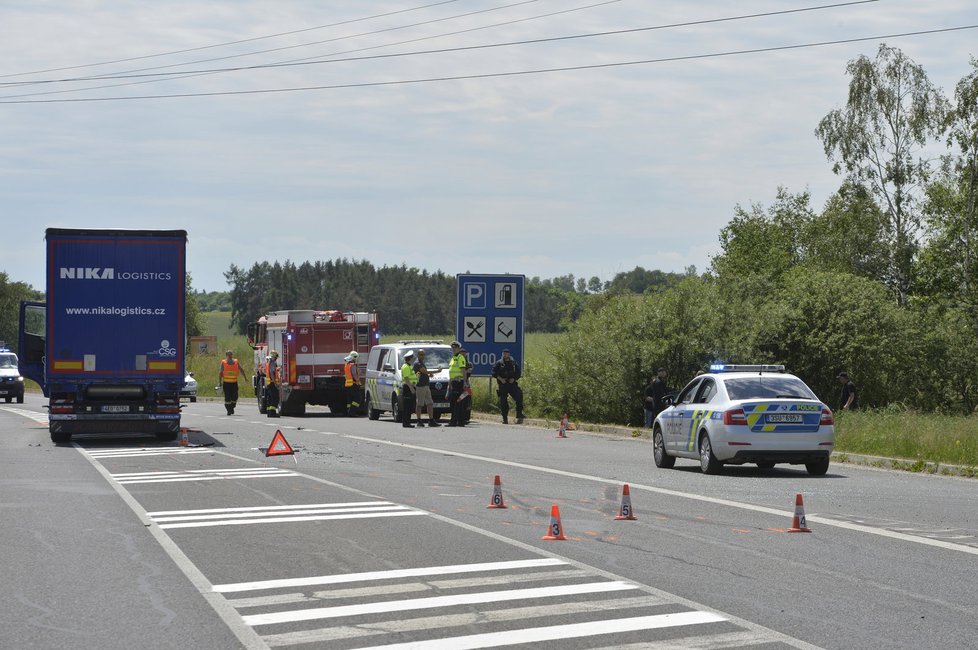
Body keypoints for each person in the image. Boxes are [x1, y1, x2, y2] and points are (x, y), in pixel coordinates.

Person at [491, 348, 524, 424]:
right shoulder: (499, 363)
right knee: (503, 402)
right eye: (504, 353)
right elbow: (493, 372)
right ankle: (505, 418)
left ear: (509, 354)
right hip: (503, 384)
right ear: (502, 354)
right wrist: (500, 379)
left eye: (507, 353)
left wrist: (514, 378)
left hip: (512, 384)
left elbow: (518, 373)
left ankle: (519, 414)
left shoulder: (513, 363)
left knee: (519, 395)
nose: (505, 354)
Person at [413, 349, 440, 427]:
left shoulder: (422, 363)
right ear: (417, 355)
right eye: (421, 354)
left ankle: (431, 420)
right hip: (420, 386)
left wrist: (428, 375)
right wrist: (437, 371)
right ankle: (419, 420)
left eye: (423, 355)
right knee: (420, 404)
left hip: (426, 385)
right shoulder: (417, 363)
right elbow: (424, 371)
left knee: (430, 403)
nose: (423, 356)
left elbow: (422, 373)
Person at [446, 340, 468, 427]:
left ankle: (455, 422)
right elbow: (451, 372)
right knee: (455, 403)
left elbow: (463, 371)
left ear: (459, 349)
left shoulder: (460, 358)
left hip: (459, 382)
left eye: (456, 348)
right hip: (454, 383)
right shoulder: (452, 359)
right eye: (453, 348)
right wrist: (449, 383)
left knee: (457, 403)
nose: (454, 349)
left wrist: (464, 383)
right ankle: (458, 421)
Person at [218, 349, 241, 415]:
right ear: (226, 355)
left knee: (235, 396)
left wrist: (245, 377)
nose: (230, 356)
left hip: (234, 383)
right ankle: (229, 410)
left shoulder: (236, 361)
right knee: (227, 397)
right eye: (229, 354)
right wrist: (220, 383)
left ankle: (232, 406)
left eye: (231, 354)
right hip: (226, 383)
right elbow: (220, 373)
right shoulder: (223, 362)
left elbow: (240, 369)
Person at [400, 350, 417, 428]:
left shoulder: (409, 366)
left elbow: (410, 378)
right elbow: (406, 379)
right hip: (408, 388)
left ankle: (407, 422)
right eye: (413, 357)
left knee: (409, 406)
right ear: (410, 358)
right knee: (407, 406)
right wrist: (411, 388)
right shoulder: (406, 367)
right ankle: (406, 423)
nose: (414, 359)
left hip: (410, 386)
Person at [344, 350, 362, 416]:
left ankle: (349, 411)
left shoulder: (347, 365)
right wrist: (358, 381)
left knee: (350, 399)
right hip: (353, 384)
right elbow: (354, 374)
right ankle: (352, 411)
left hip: (348, 384)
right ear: (354, 358)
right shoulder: (352, 365)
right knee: (358, 398)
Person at [265, 350, 280, 418]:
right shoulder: (272, 362)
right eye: (276, 356)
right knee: (275, 397)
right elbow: (272, 373)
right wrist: (275, 383)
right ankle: (273, 413)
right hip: (272, 383)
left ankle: (269, 413)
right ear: (274, 356)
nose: (276, 358)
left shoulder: (269, 362)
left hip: (269, 383)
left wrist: (277, 369)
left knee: (270, 398)